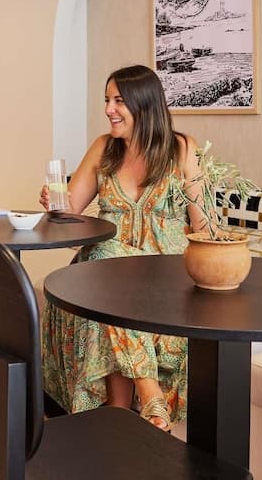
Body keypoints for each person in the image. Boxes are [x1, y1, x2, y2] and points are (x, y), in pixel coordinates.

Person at [40, 64, 204, 432]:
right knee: (103, 269)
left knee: (105, 280)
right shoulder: (104, 148)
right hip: (108, 272)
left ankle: (119, 411)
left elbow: (204, 225)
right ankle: (143, 397)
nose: (108, 109)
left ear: (143, 104)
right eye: (107, 100)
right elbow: (70, 209)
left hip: (164, 275)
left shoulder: (181, 149)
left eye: (118, 101)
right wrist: (54, 202)